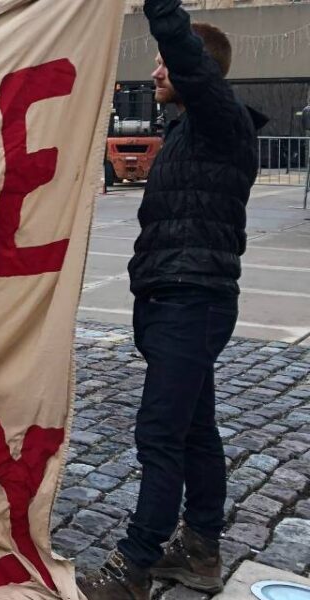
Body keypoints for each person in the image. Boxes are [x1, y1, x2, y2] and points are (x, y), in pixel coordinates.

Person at [77, 0, 266, 598]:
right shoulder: (189, 133)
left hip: (193, 299)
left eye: (164, 64)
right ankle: (200, 549)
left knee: (159, 433)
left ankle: (133, 566)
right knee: (194, 430)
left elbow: (186, 55)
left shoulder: (220, 121)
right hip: (172, 297)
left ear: (194, 71)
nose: (155, 73)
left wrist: (162, 11)